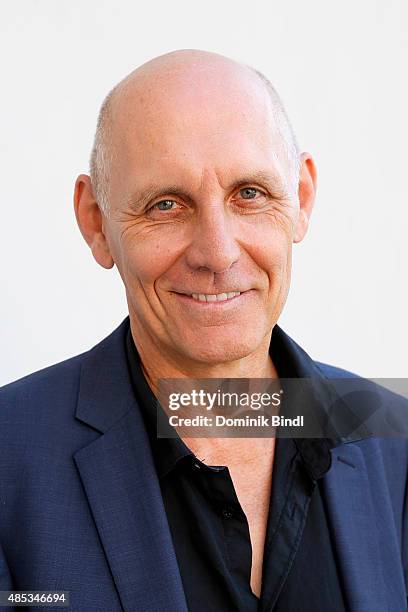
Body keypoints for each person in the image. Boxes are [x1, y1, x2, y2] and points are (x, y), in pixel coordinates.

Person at [0, 49, 407, 612]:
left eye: (250, 194)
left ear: (302, 199)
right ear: (95, 222)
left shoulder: (395, 444)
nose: (217, 253)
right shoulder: (8, 460)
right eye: (166, 205)